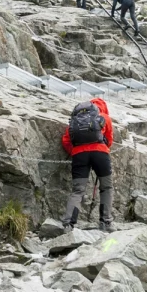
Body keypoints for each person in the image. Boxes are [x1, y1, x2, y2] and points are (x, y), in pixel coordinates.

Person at [61, 98, 114, 231]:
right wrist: (102, 148)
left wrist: (75, 151)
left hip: (79, 155)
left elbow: (66, 140)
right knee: (106, 187)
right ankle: (105, 222)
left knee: (78, 190)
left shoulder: (76, 119)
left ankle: (68, 224)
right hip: (100, 154)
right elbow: (109, 140)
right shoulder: (105, 117)